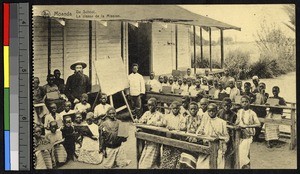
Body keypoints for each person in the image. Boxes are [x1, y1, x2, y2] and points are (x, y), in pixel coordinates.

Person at [196, 103, 229, 169]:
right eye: (209, 111)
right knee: (200, 165)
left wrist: (219, 138)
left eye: (213, 111)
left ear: (216, 111)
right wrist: (200, 133)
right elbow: (198, 133)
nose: (211, 113)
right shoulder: (205, 121)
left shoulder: (222, 122)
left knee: (217, 165)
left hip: (218, 148)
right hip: (206, 147)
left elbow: (227, 137)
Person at [136, 98, 164, 169]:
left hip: (155, 138)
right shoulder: (147, 113)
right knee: (144, 157)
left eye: (152, 105)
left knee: (148, 161)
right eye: (149, 105)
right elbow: (141, 121)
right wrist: (139, 121)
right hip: (147, 139)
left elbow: (163, 124)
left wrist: (154, 123)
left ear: (156, 105)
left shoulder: (159, 115)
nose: (150, 107)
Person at [235, 95, 261, 169]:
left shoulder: (252, 113)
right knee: (238, 152)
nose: (244, 103)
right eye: (243, 102)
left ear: (249, 102)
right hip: (239, 134)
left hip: (248, 135)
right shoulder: (239, 112)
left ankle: (245, 166)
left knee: (243, 152)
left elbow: (258, 124)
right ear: (240, 103)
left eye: (246, 102)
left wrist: (247, 126)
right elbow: (237, 122)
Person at [160, 101, 186, 169]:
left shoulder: (181, 117)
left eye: (176, 108)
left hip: (177, 138)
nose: (175, 110)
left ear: (179, 109)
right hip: (168, 137)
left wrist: (175, 128)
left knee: (176, 155)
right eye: (173, 108)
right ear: (171, 109)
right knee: (167, 153)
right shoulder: (167, 116)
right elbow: (163, 124)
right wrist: (163, 125)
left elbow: (183, 127)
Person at [179, 102, 201, 169]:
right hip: (188, 139)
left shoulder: (200, 118)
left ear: (197, 110)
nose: (193, 110)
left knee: (193, 159)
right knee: (185, 158)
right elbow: (182, 127)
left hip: (196, 140)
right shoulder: (186, 118)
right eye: (191, 109)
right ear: (189, 110)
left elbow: (202, 129)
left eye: (195, 109)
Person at [216, 97, 237, 169]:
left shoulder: (234, 114)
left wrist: (229, 125)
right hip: (220, 134)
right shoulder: (219, 112)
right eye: (225, 105)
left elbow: (234, 125)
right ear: (222, 105)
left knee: (229, 152)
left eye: (228, 105)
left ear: (231, 105)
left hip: (230, 136)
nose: (226, 107)